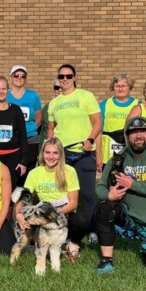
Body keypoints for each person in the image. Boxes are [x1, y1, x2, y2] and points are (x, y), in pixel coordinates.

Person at [93, 116, 146, 273]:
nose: (139, 136)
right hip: (129, 216)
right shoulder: (119, 158)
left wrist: (133, 184)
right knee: (105, 208)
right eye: (134, 132)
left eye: (143, 131)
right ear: (126, 136)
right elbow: (100, 188)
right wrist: (109, 195)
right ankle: (106, 260)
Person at [46, 63, 101, 236]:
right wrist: (49, 148)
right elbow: (51, 129)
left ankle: (92, 231)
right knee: (62, 196)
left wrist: (90, 139)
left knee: (87, 195)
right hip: (62, 156)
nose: (64, 80)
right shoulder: (54, 103)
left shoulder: (86, 96)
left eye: (68, 76)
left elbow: (97, 122)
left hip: (83, 153)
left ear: (74, 78)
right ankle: (63, 231)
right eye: (61, 76)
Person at [18, 137, 88, 244]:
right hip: (42, 215)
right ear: (42, 154)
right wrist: (18, 214)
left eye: (55, 153)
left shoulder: (69, 171)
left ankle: (71, 243)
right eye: (47, 152)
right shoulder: (34, 173)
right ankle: (41, 240)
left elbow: (73, 204)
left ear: (60, 155)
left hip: (64, 214)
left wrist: (54, 214)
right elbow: (23, 198)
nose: (51, 157)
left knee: (82, 220)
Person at [6, 64, 43, 182]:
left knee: (28, 172)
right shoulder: (5, 95)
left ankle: (26, 197)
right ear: (10, 77)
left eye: (23, 76)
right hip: (11, 140)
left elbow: (38, 116)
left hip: (30, 139)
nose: (19, 78)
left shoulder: (33, 96)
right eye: (16, 75)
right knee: (12, 171)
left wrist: (30, 130)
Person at [98, 73, 137, 174]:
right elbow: (98, 131)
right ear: (113, 88)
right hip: (108, 156)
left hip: (130, 155)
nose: (120, 89)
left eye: (123, 86)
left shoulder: (137, 105)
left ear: (129, 87)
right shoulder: (104, 105)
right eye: (117, 86)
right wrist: (98, 156)